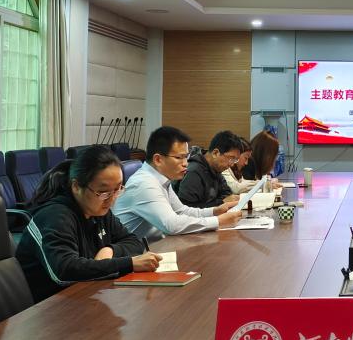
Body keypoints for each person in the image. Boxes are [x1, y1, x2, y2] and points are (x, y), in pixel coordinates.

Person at [16, 144, 159, 302]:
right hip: (47, 306)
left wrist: (110, 250)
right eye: (103, 192)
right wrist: (129, 264)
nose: (111, 199)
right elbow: (65, 270)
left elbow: (133, 241)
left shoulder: (99, 210)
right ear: (76, 186)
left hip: (84, 296)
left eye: (118, 189)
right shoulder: (54, 216)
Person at [114, 126, 242, 242]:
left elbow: (181, 211)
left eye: (186, 156)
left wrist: (215, 211)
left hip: (156, 245)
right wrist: (218, 221)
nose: (185, 163)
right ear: (158, 159)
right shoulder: (144, 184)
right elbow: (172, 225)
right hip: (135, 254)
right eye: (179, 157)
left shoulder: (161, 179)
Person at [174, 130, 244, 208]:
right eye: (231, 158)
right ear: (215, 153)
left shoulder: (216, 169)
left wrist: (222, 201)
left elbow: (227, 194)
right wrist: (221, 202)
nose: (232, 164)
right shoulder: (194, 172)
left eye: (235, 160)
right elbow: (187, 209)